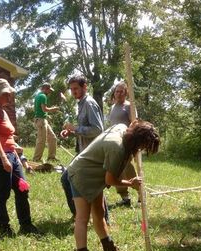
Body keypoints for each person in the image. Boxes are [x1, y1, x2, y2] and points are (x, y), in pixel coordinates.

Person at [67, 120, 160, 251]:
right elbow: (110, 179)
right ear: (137, 141)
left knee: (100, 212)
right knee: (82, 217)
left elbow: (131, 123)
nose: (142, 150)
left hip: (95, 175)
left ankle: (109, 249)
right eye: (143, 147)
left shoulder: (124, 128)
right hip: (81, 174)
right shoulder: (117, 148)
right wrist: (131, 183)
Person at [0, 78, 39, 239]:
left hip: (11, 154)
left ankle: (26, 225)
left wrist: (15, 150)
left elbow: (6, 136)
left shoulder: (2, 110)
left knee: (23, 189)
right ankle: (4, 228)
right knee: (2, 193)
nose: (10, 96)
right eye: (7, 93)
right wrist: (4, 159)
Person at [60, 75, 109, 223]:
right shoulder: (81, 103)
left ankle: (84, 216)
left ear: (84, 87)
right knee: (84, 182)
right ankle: (89, 216)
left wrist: (75, 127)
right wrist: (71, 131)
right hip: (84, 151)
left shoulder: (89, 103)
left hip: (92, 153)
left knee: (69, 178)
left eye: (76, 88)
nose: (73, 92)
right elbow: (85, 128)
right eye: (71, 89)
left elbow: (97, 130)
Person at [108, 81, 138, 207]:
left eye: (121, 91)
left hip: (126, 141)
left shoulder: (129, 106)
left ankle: (141, 192)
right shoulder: (113, 107)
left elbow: (135, 123)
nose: (118, 94)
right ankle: (125, 197)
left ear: (126, 93)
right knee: (116, 170)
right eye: (117, 91)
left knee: (128, 168)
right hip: (114, 142)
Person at [32, 83, 59, 162]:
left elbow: (39, 110)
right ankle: (36, 159)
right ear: (45, 89)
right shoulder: (43, 96)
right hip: (41, 121)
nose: (50, 92)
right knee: (41, 140)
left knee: (52, 138)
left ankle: (52, 157)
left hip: (42, 119)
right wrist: (54, 109)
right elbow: (44, 109)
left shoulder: (38, 95)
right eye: (49, 90)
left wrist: (46, 116)